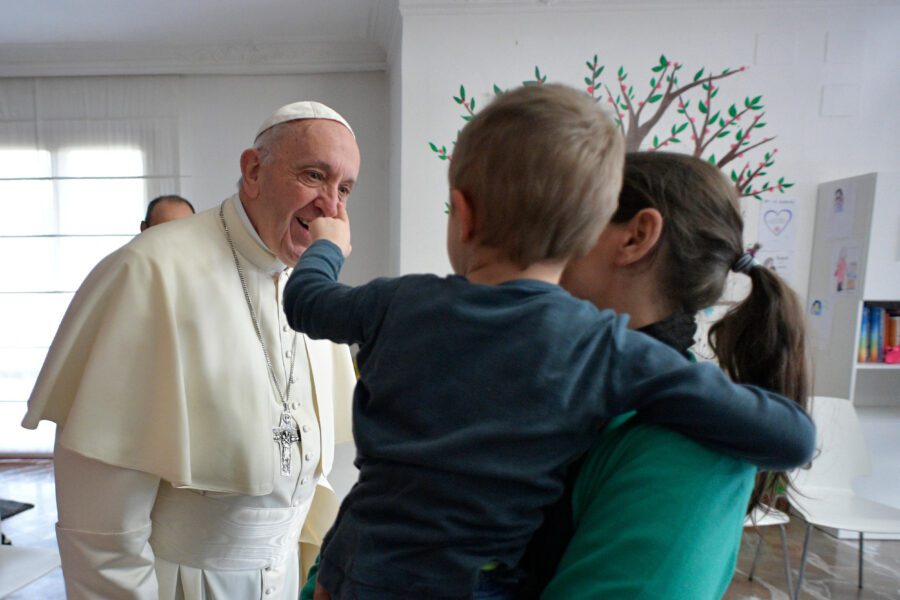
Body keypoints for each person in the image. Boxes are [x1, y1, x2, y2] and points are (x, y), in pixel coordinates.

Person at [284, 84, 814, 599]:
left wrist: (328, 246)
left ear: (462, 214)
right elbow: (791, 437)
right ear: (584, 233)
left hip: (358, 564)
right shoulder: (607, 351)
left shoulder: (397, 302)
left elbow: (306, 301)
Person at [22, 101, 360, 600]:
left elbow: (304, 482)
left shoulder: (310, 287)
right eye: (314, 176)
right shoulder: (150, 272)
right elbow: (102, 530)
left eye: (345, 189)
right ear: (253, 171)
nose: (332, 208)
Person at [532, 151, 811, 599]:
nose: (539, 248)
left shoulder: (689, 439)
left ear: (636, 236)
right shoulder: (586, 387)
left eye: (565, 225)